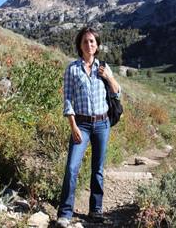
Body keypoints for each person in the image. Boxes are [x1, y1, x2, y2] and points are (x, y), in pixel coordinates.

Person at [56, 27, 121, 228]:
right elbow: (68, 99)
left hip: (102, 123)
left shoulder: (104, 68)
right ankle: (65, 213)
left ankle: (96, 210)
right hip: (81, 124)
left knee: (98, 169)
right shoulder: (72, 69)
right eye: (85, 41)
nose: (89, 45)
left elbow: (117, 92)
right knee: (72, 167)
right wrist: (73, 125)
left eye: (92, 41)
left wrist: (109, 77)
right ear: (79, 45)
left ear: (97, 45)